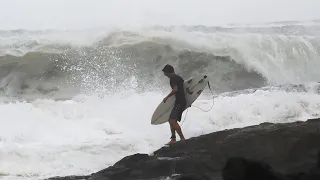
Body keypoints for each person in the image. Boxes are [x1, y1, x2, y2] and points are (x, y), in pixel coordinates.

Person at [162, 64, 186, 145]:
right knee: (170, 120)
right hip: (181, 101)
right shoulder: (179, 77)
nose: (164, 75)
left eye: (164, 73)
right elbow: (184, 89)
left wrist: (166, 97)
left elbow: (175, 89)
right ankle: (173, 139)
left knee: (172, 120)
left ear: (167, 72)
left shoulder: (173, 78)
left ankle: (182, 139)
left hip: (180, 102)